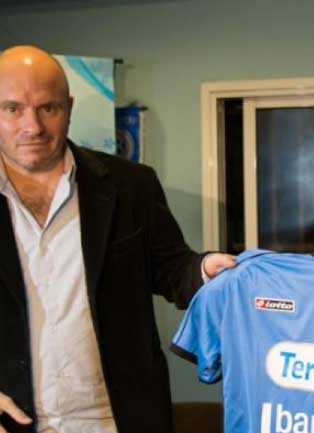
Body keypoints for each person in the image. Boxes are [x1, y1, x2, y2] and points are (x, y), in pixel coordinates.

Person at [0, 45, 235, 433]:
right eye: (13, 109)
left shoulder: (131, 185)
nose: (33, 127)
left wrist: (204, 269)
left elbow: (173, 269)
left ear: (69, 107)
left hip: (118, 421)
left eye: (48, 108)